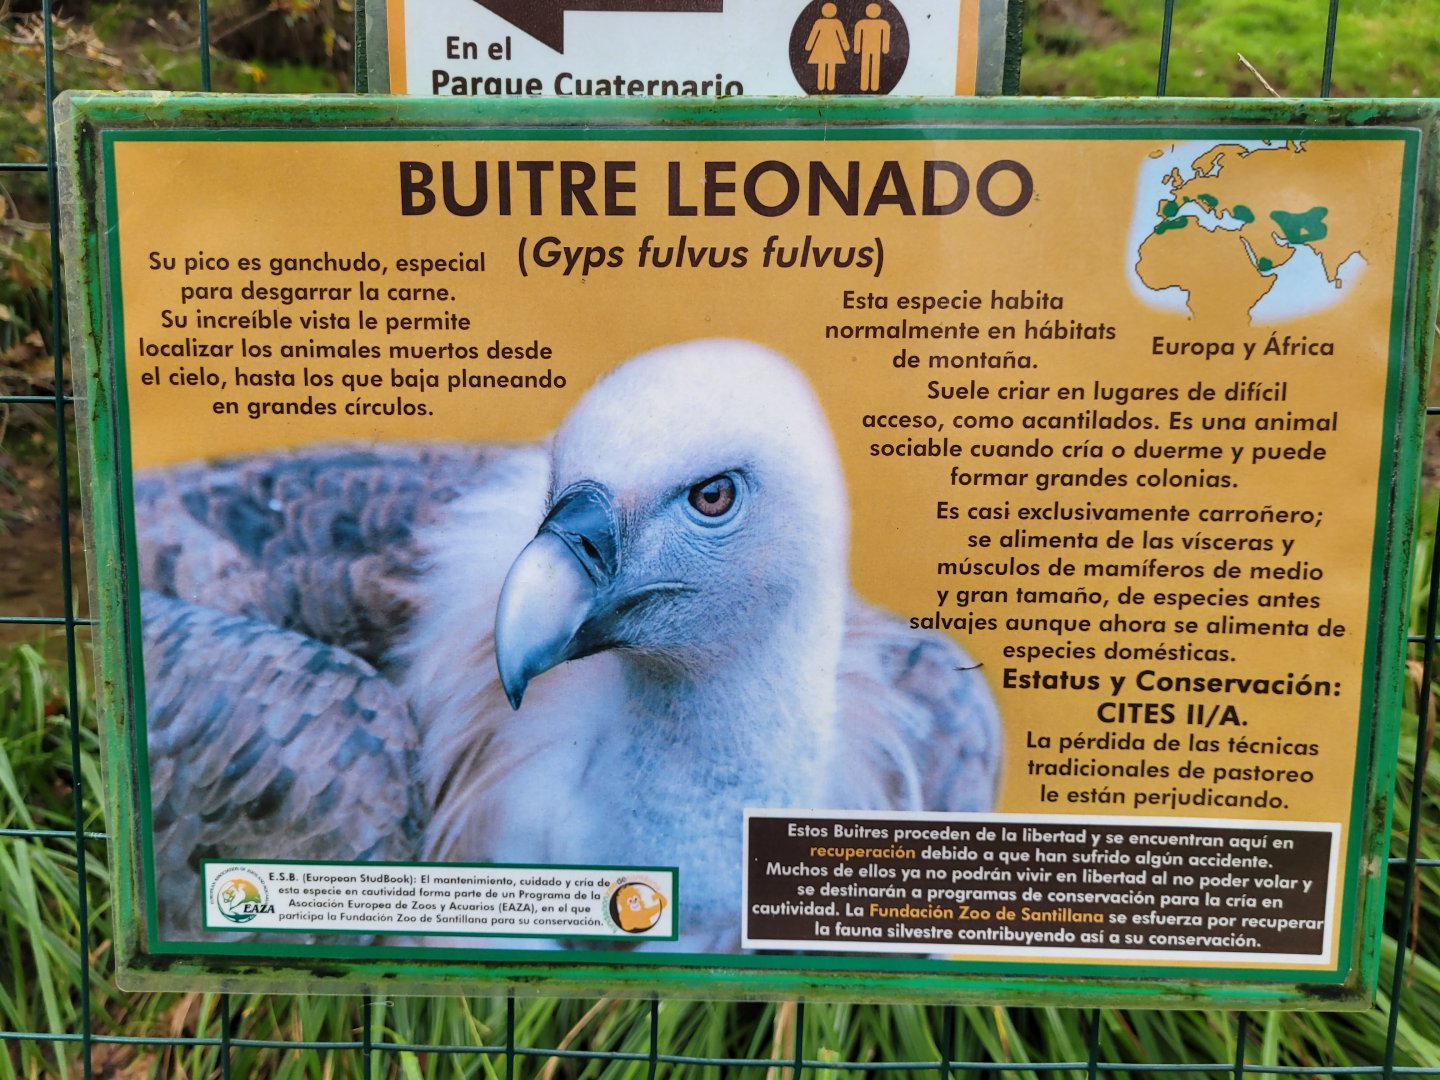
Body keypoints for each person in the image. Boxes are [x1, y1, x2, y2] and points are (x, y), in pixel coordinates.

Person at [804, 3, 849, 92]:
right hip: (828, 47)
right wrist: (845, 46)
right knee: (827, 65)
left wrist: (809, 46)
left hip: (826, 47)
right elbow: (814, 34)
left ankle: (825, 85)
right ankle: (826, 85)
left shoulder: (829, 23)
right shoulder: (833, 22)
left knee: (825, 65)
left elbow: (841, 35)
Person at [853, 3, 891, 92]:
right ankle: (865, 85)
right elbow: (857, 36)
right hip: (866, 48)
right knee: (866, 65)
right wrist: (857, 48)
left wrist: (885, 48)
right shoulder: (861, 23)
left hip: (875, 48)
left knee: (874, 66)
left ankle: (873, 86)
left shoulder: (883, 24)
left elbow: (885, 36)